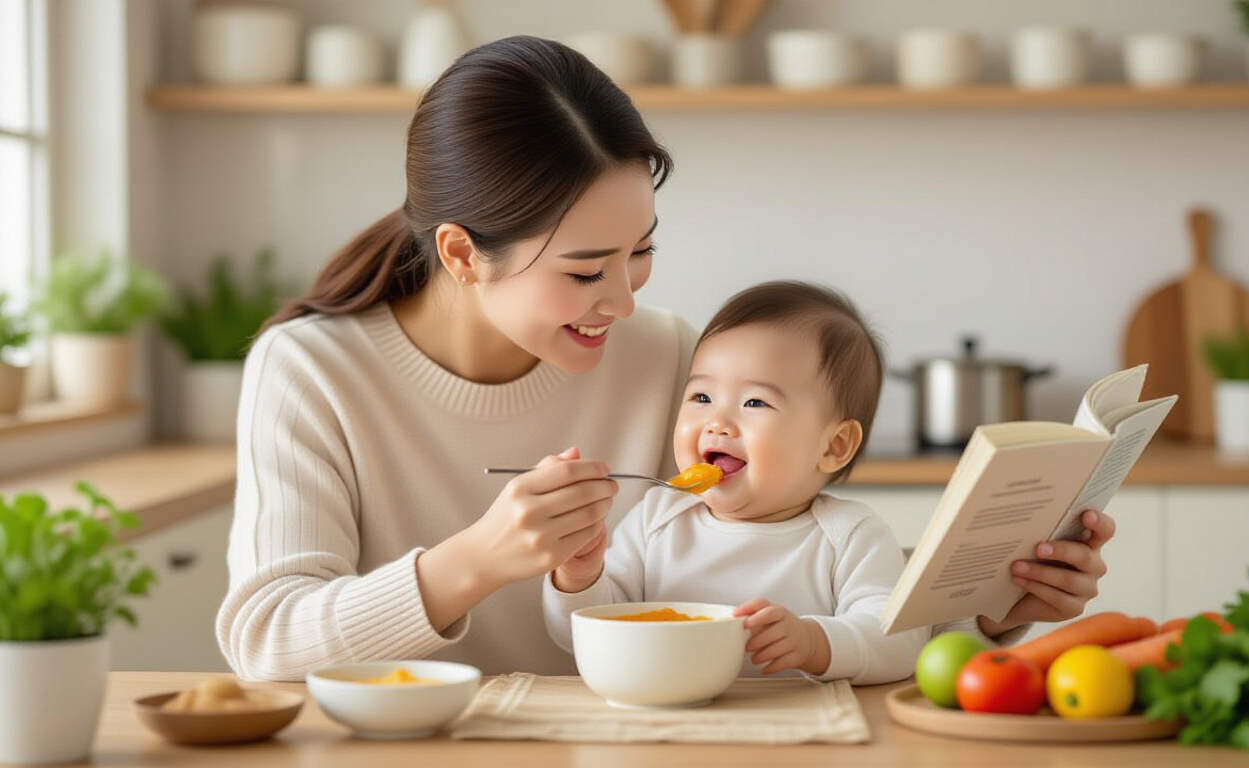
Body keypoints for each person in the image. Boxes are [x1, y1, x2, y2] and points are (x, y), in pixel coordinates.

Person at [216, 36, 694, 681]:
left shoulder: (671, 358)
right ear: (463, 253)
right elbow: (267, 641)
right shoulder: (313, 370)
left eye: (640, 252)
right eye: (585, 272)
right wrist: (478, 559)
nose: (624, 302)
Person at [543, 281, 1116, 685]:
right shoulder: (657, 515)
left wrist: (815, 643)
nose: (716, 422)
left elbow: (897, 641)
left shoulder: (850, 534)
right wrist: (578, 576)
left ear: (834, 445)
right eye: (700, 395)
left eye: (754, 402)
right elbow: (581, 634)